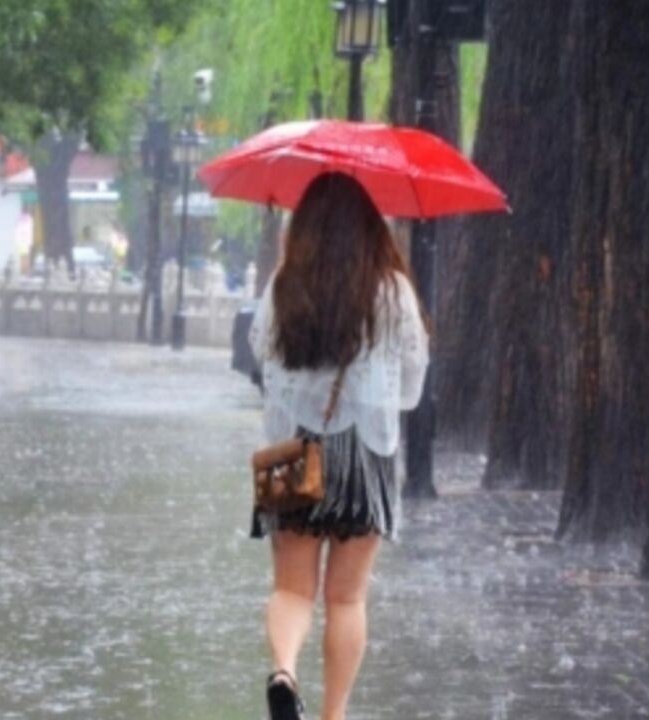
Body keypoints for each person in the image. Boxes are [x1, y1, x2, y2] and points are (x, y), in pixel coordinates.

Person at [247, 172, 429, 720]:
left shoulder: (284, 283)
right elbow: (413, 385)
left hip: (288, 450)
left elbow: (261, 355)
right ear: (368, 228)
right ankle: (333, 715)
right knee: (345, 598)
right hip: (364, 450)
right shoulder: (391, 289)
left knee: (291, 590)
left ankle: (284, 673)